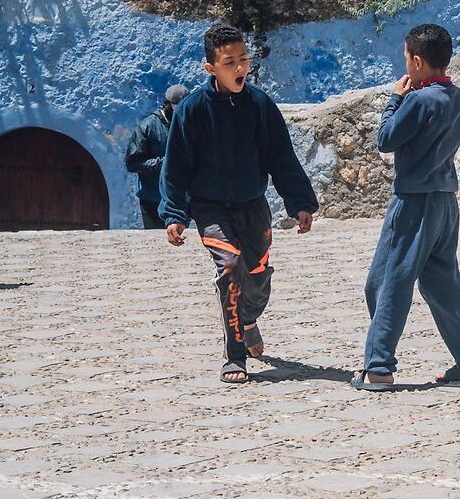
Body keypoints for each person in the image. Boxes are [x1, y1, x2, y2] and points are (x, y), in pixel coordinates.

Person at [159, 26, 317, 384]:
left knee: (258, 277)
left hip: (253, 206)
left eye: (243, 59)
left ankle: (247, 319)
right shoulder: (192, 111)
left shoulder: (260, 105)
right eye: (229, 62)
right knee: (230, 267)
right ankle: (235, 355)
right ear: (210, 68)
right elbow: (176, 165)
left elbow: (281, 157)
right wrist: (174, 214)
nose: (239, 67)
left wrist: (300, 202)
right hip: (210, 209)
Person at [355, 22, 460, 391]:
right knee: (442, 284)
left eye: (406, 59)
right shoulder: (457, 97)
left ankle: (379, 366)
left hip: (412, 202)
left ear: (416, 61)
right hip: (445, 202)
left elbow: (386, 139)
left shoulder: (417, 99)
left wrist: (395, 98)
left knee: (385, 282)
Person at [125, 84, 190, 229]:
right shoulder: (147, 127)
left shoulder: (189, 126)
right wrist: (164, 163)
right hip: (152, 199)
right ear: (165, 103)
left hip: (179, 199)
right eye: (176, 109)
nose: (179, 113)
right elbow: (133, 163)